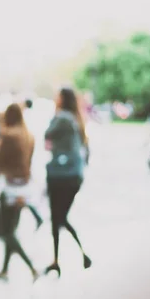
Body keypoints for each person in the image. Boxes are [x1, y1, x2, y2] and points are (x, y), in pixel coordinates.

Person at [44, 87, 92, 277]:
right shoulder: (77, 118)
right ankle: (62, 259)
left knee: (58, 219)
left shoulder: (62, 117)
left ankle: (78, 255)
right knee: (59, 218)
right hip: (74, 175)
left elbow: (47, 134)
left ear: (62, 99)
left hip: (59, 175)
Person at [0, 103, 39, 281]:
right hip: (24, 188)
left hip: (9, 188)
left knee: (7, 232)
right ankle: (5, 269)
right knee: (11, 228)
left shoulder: (8, 136)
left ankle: (32, 267)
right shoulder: (29, 135)